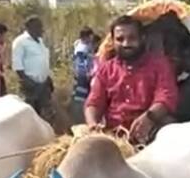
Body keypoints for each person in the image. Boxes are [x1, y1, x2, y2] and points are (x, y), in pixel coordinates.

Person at [85, 15, 178, 144]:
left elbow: (166, 97)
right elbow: (94, 103)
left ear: (142, 38)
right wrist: (92, 126)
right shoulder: (106, 69)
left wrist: (149, 118)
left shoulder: (160, 65)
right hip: (115, 137)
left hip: (152, 133)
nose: (126, 44)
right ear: (112, 41)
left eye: (132, 38)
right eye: (120, 39)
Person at [12, 16, 53, 118]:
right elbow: (17, 65)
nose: (41, 29)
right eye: (38, 26)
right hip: (30, 85)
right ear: (29, 27)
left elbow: (42, 61)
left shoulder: (40, 42)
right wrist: (27, 81)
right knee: (29, 115)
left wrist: (47, 78)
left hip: (43, 85)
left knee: (44, 116)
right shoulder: (20, 42)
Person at [70, 29, 100, 124]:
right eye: (90, 36)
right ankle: (79, 120)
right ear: (86, 36)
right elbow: (80, 65)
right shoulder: (81, 49)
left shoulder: (87, 47)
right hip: (82, 79)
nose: (91, 39)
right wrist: (86, 75)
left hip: (86, 77)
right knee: (80, 99)